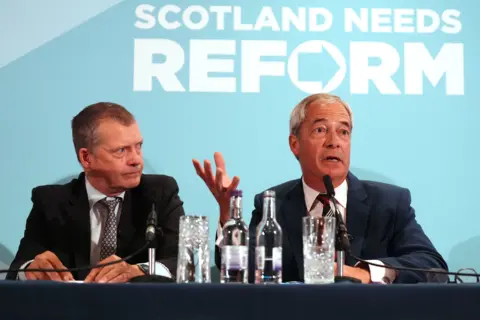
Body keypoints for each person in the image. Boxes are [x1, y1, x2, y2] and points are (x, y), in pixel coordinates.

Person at [193, 93, 448, 284]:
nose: (334, 142)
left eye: (343, 132)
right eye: (320, 130)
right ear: (295, 144)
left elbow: (432, 267)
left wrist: (365, 272)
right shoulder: (273, 204)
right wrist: (228, 214)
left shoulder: (390, 203)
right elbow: (242, 271)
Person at [7, 102, 184, 282]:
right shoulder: (51, 203)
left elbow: (180, 263)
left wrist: (139, 270)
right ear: (86, 158)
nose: (136, 160)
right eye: (121, 150)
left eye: (138, 146)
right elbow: (17, 270)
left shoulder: (159, 193)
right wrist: (30, 269)